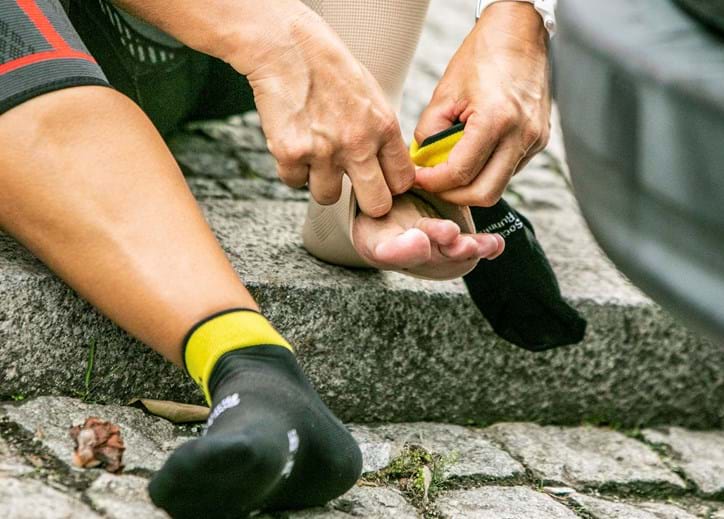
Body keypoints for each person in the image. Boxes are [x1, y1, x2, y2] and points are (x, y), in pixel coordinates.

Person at [0, 0, 555, 517]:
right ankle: (255, 373)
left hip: (202, 55)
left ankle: (360, 189)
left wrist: (518, 24)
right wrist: (269, 34)